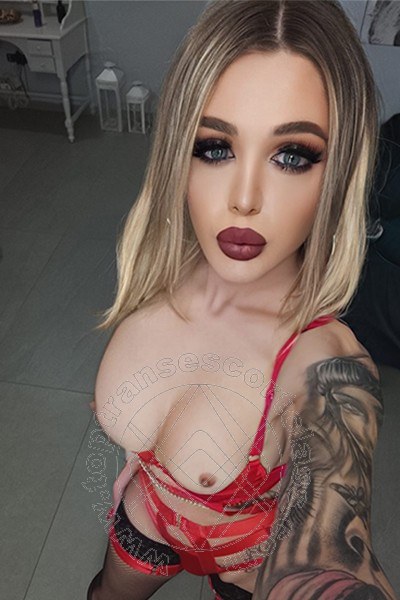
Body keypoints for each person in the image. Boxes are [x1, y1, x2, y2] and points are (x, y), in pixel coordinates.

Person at [87, 1, 396, 598]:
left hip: (246, 565)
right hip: (145, 516)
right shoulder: (162, 267)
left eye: (292, 156)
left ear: (338, 172)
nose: (245, 198)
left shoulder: (327, 365)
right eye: (215, 147)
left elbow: (333, 560)